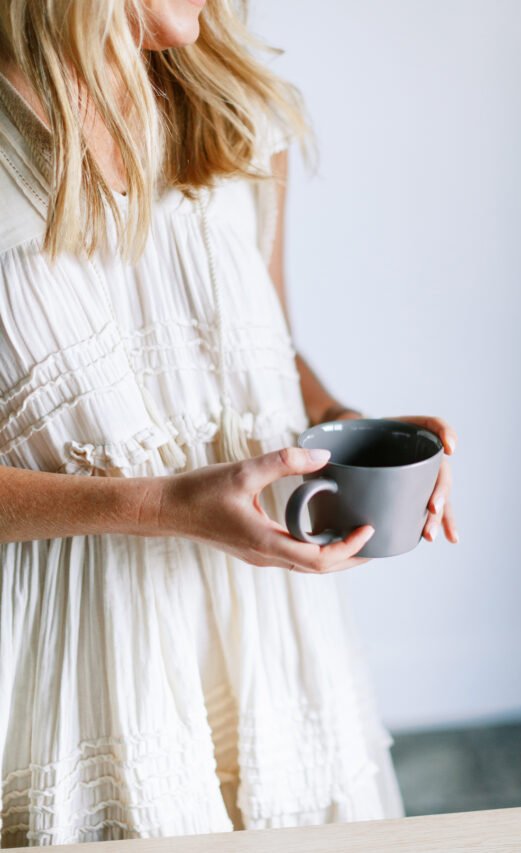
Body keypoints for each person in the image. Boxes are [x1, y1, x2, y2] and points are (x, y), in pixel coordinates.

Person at [0, 0, 458, 845]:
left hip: (265, 634)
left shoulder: (236, 110)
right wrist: (160, 506)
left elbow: (269, 349)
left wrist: (347, 428)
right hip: (85, 663)